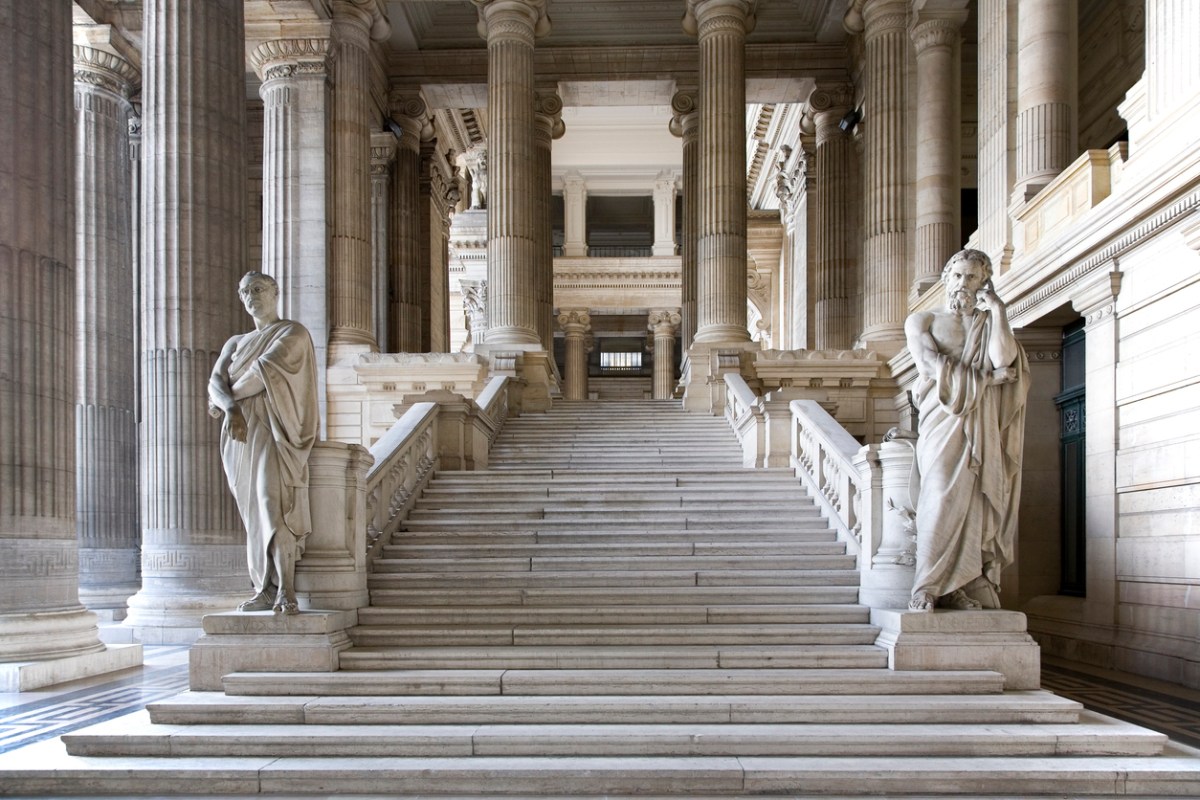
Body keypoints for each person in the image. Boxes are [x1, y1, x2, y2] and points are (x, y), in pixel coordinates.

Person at [903, 249, 1029, 611]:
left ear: (983, 282)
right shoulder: (922, 320)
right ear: (947, 278)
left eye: (972, 277)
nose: (963, 284)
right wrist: (989, 381)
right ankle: (925, 585)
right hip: (943, 419)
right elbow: (929, 366)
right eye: (958, 276)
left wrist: (1000, 311)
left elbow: (1004, 359)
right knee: (940, 493)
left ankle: (959, 584)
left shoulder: (988, 323)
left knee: (974, 501)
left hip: (980, 423)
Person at [208, 272, 318, 614]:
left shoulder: (292, 332)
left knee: (272, 503)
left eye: (258, 289)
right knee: (253, 513)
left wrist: (226, 399)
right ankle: (264, 588)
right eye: (244, 291)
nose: (250, 296)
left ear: (275, 293)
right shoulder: (235, 341)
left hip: (274, 429)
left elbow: (262, 373)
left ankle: (286, 589)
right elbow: (214, 380)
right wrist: (229, 407)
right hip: (239, 434)